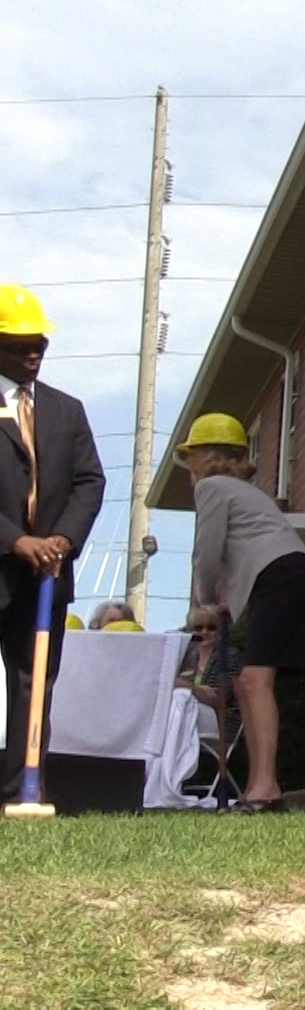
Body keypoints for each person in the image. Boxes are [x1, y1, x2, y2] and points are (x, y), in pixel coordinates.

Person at [180, 413, 305, 814]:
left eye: (190, 454)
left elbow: (206, 553)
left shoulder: (210, 487)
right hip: (289, 575)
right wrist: (230, 602)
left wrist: (202, 603)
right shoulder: (243, 492)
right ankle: (261, 785)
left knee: (255, 680)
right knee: (247, 682)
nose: (188, 464)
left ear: (204, 456)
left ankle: (264, 787)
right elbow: (247, 553)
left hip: (282, 577)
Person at [0, 284, 105, 806]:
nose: (34, 352)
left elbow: (90, 482)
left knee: (32, 683)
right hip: (8, 556)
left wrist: (60, 539)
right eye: (21, 345)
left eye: (39, 342)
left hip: (45, 576)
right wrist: (15, 540)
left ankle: (22, 791)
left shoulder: (68, 411)